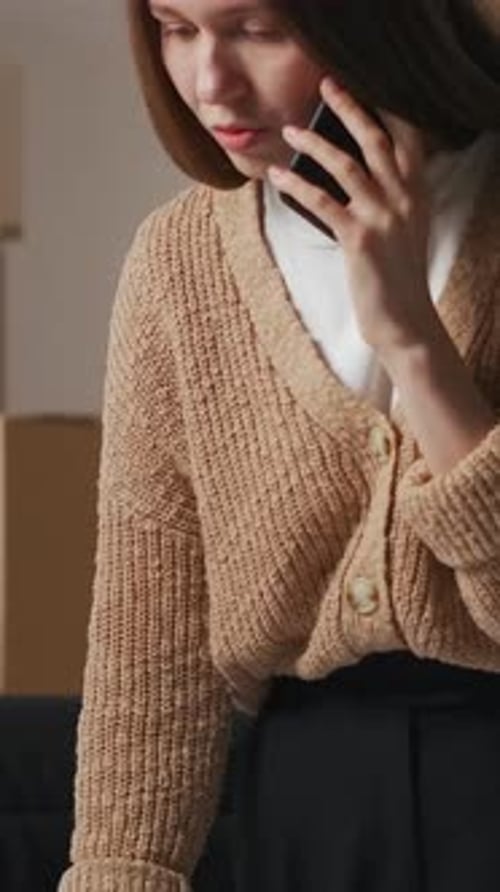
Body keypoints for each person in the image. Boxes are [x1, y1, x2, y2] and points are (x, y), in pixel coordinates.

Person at [58, 1, 500, 889]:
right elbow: (152, 656)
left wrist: (414, 342)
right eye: (176, 28)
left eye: (256, 29)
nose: (208, 81)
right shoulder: (180, 264)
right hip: (306, 813)